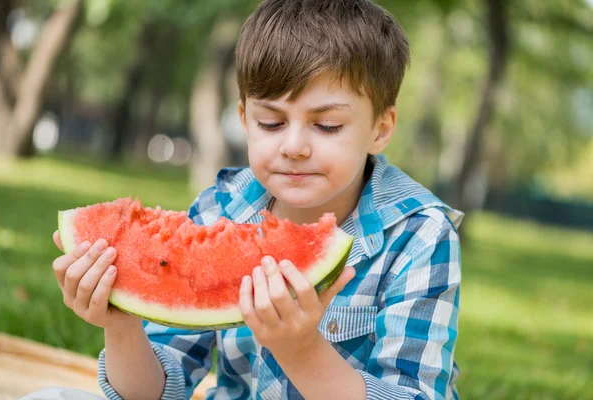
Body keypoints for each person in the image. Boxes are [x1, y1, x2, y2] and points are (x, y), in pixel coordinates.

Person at [44, 0, 463, 399]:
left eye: (328, 126)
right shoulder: (221, 208)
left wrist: (301, 351)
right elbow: (157, 392)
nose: (294, 146)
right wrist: (122, 329)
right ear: (245, 120)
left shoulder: (420, 236)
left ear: (380, 128)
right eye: (271, 122)